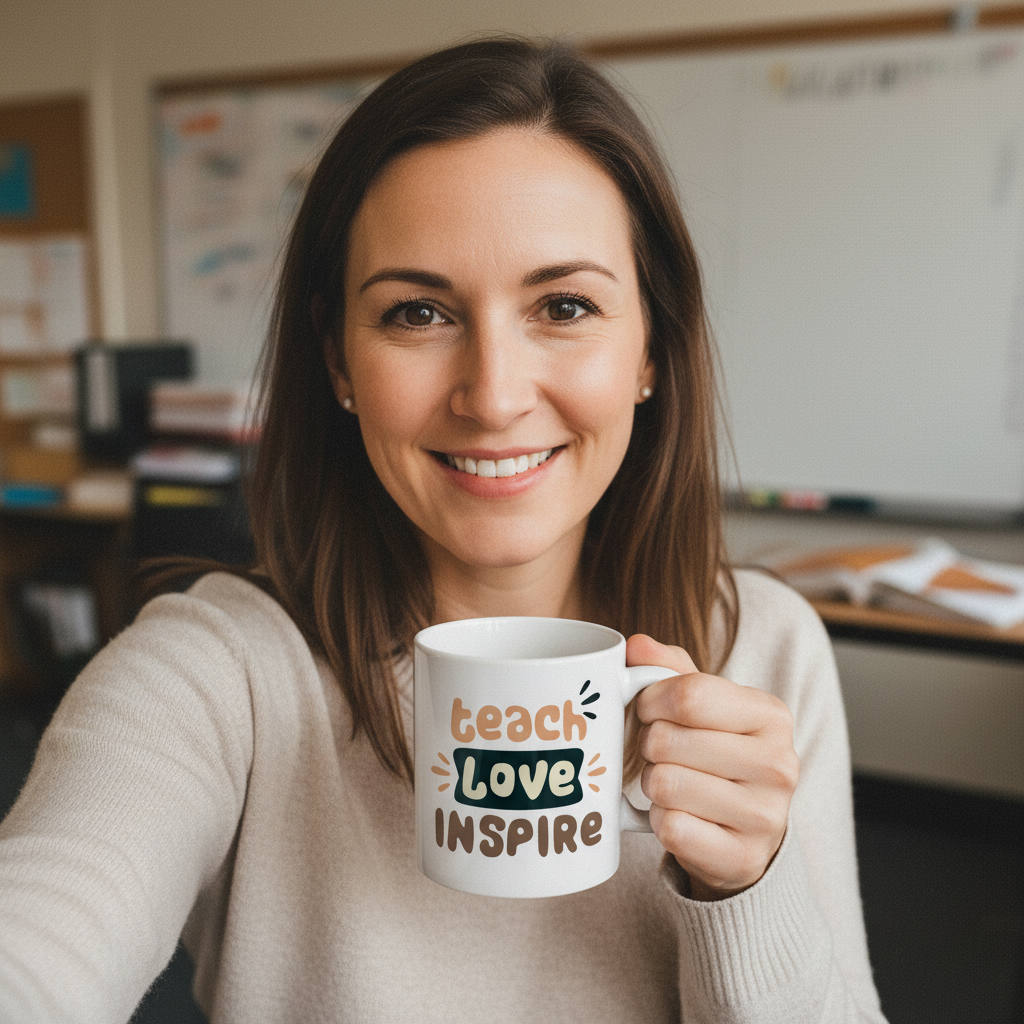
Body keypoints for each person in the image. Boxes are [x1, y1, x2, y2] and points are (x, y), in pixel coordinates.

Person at [0, 37, 886, 1023]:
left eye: (563, 305)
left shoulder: (761, 647)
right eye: (418, 311)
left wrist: (746, 892)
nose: (494, 396)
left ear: (650, 351)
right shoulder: (220, 671)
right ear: (338, 359)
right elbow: (40, 935)